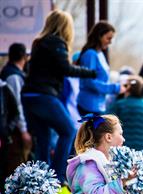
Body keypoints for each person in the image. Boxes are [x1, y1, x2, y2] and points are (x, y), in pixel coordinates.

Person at [22, 10, 96, 183]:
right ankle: (57, 176)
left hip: (29, 96)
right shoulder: (57, 43)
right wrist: (91, 73)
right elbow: (66, 69)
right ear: (65, 26)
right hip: (44, 95)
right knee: (69, 130)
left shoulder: (38, 43)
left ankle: (39, 181)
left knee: (43, 138)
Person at [77, 22, 123, 116]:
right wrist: (114, 88)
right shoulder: (90, 54)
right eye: (108, 38)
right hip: (89, 105)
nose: (110, 42)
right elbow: (89, 82)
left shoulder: (100, 54)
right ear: (99, 36)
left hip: (99, 105)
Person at [0, 42, 31, 166]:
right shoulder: (13, 76)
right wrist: (23, 130)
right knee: (16, 162)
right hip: (15, 131)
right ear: (24, 57)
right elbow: (18, 104)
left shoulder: (9, 73)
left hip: (11, 128)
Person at [108, 75, 143, 152]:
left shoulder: (119, 105)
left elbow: (105, 122)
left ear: (128, 88)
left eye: (126, 85)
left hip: (125, 148)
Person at [0, 79, 20, 194]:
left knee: (2, 171)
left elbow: (15, 112)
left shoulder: (4, 88)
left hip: (2, 138)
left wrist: (7, 130)